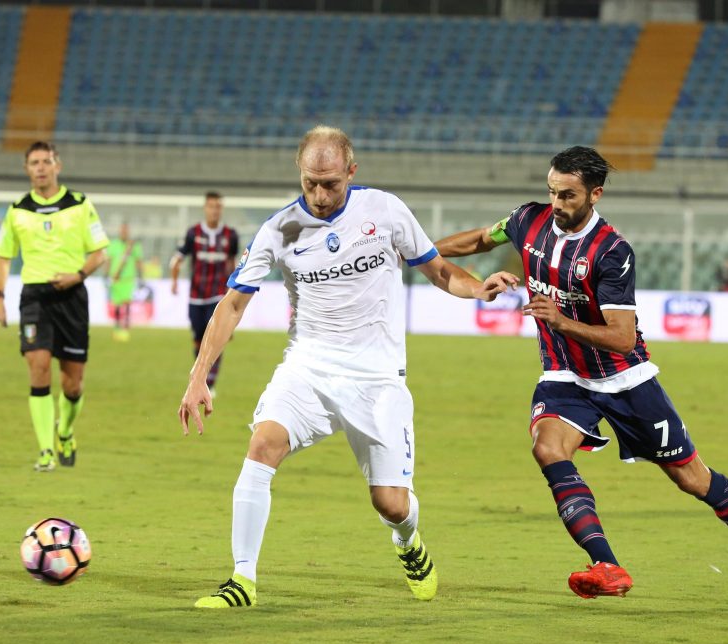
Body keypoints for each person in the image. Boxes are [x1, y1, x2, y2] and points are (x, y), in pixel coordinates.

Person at [434, 146, 728, 609]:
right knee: (547, 448)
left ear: (595, 194)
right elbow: (479, 241)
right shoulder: (526, 220)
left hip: (624, 380)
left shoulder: (612, 251)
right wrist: (421, 251)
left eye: (567, 195)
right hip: (564, 375)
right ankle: (606, 565)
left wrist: (561, 320)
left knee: (692, 478)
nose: (556, 203)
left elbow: (623, 338)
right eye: (551, 191)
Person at [178, 126, 518, 608]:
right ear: (300, 173)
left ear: (351, 173)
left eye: (331, 183)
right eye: (310, 183)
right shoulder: (280, 229)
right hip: (308, 369)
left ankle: (408, 542)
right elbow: (233, 303)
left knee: (392, 505)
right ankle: (242, 580)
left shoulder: (384, 210)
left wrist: (477, 288)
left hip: (377, 380)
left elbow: (438, 269)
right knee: (261, 447)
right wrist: (198, 376)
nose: (319, 195)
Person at [0, 141, 109, 472]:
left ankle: (65, 431)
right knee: (38, 365)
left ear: (58, 165)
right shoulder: (17, 210)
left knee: (73, 384)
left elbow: (99, 252)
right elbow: (2, 256)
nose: (40, 167)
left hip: (72, 297)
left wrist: (78, 274)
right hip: (34, 298)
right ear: (27, 169)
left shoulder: (80, 204)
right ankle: (45, 451)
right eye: (34, 163)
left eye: (46, 161)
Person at [169, 192, 239, 397]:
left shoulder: (230, 235)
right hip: (196, 295)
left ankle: (210, 382)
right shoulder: (193, 233)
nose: (214, 210)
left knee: (217, 338)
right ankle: (201, 376)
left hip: (218, 295)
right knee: (198, 340)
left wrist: (233, 291)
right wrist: (174, 281)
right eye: (211, 206)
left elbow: (232, 263)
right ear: (205, 208)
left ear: (221, 209)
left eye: (218, 206)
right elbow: (177, 258)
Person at [106, 222, 143, 341]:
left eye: (126, 230)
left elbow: (138, 261)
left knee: (127, 304)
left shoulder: (133, 246)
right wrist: (106, 274)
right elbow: (109, 260)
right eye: (122, 230)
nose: (124, 232)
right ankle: (117, 328)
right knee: (116, 304)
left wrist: (141, 275)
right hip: (116, 278)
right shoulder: (113, 244)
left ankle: (125, 327)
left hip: (128, 279)